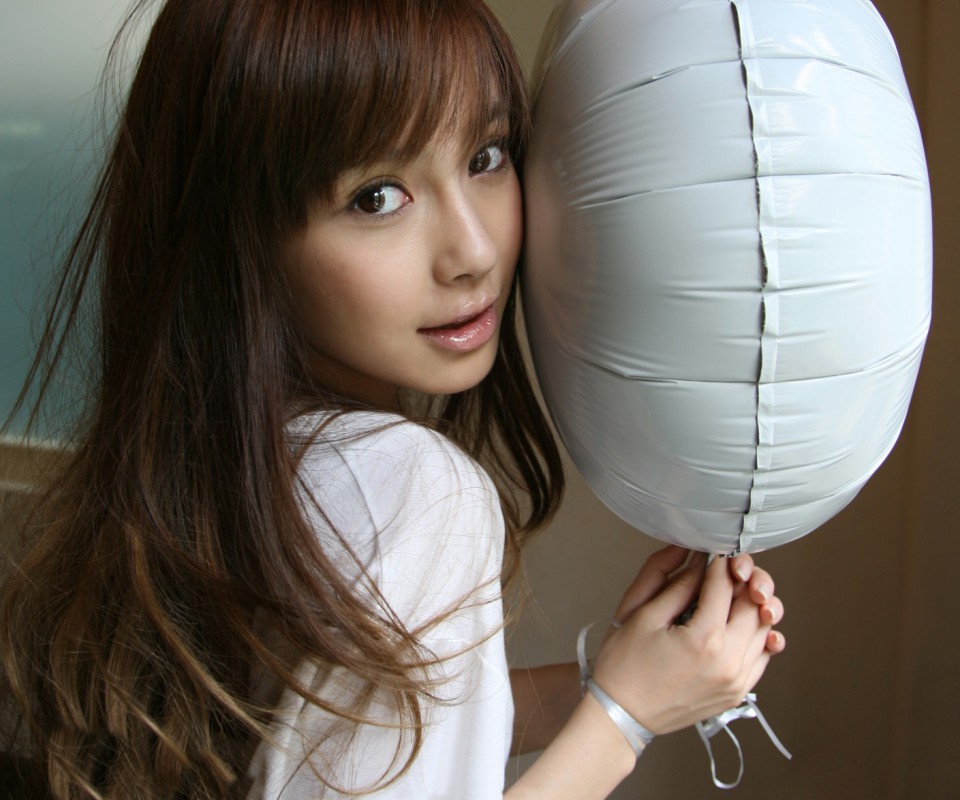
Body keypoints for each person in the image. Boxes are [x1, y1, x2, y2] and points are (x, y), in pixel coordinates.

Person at [0, 0, 786, 798]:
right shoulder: (409, 489)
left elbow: (345, 741)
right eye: (376, 197)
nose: (473, 251)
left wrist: (614, 677)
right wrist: (624, 716)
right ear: (240, 240)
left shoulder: (235, 462)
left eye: (485, 156)